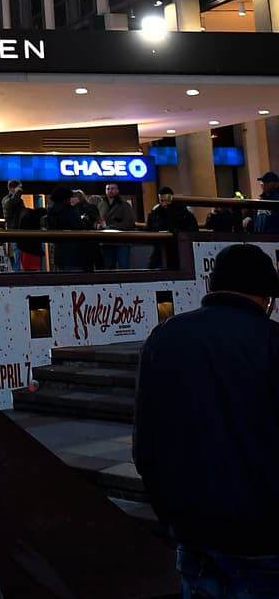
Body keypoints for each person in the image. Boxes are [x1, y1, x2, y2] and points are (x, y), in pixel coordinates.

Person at [133, 243, 279, 596]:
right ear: (266, 296)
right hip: (264, 538)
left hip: (193, 532)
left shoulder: (165, 338)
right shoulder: (271, 342)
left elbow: (146, 446)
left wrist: (173, 518)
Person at [145, 187, 199, 269]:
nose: (164, 204)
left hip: (176, 246)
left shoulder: (182, 211)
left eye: (165, 200)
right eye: (161, 201)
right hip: (164, 246)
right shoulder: (157, 211)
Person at [42, 186, 87, 272]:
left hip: (59, 252)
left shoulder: (51, 212)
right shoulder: (70, 211)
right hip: (74, 251)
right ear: (66, 199)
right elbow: (79, 226)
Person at [1, 180, 26, 271]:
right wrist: (17, 193)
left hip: (20, 230)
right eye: (19, 188)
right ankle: (17, 272)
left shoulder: (19, 201)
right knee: (16, 252)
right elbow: (11, 204)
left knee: (19, 253)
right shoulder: (6, 199)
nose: (21, 190)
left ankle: (20, 270)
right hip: (12, 230)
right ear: (12, 188)